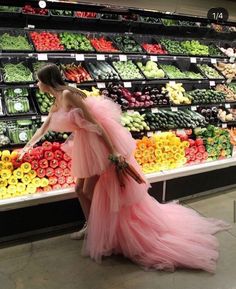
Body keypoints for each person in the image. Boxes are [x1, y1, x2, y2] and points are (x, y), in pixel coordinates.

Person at [19, 63, 230, 273]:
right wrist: (27, 146)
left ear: (47, 82)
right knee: (79, 190)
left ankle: (100, 230)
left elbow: (96, 124)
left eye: (39, 81)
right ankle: (91, 226)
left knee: (87, 190)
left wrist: (113, 151)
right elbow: (46, 125)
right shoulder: (57, 99)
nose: (37, 84)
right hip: (84, 143)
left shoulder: (67, 95)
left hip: (98, 144)